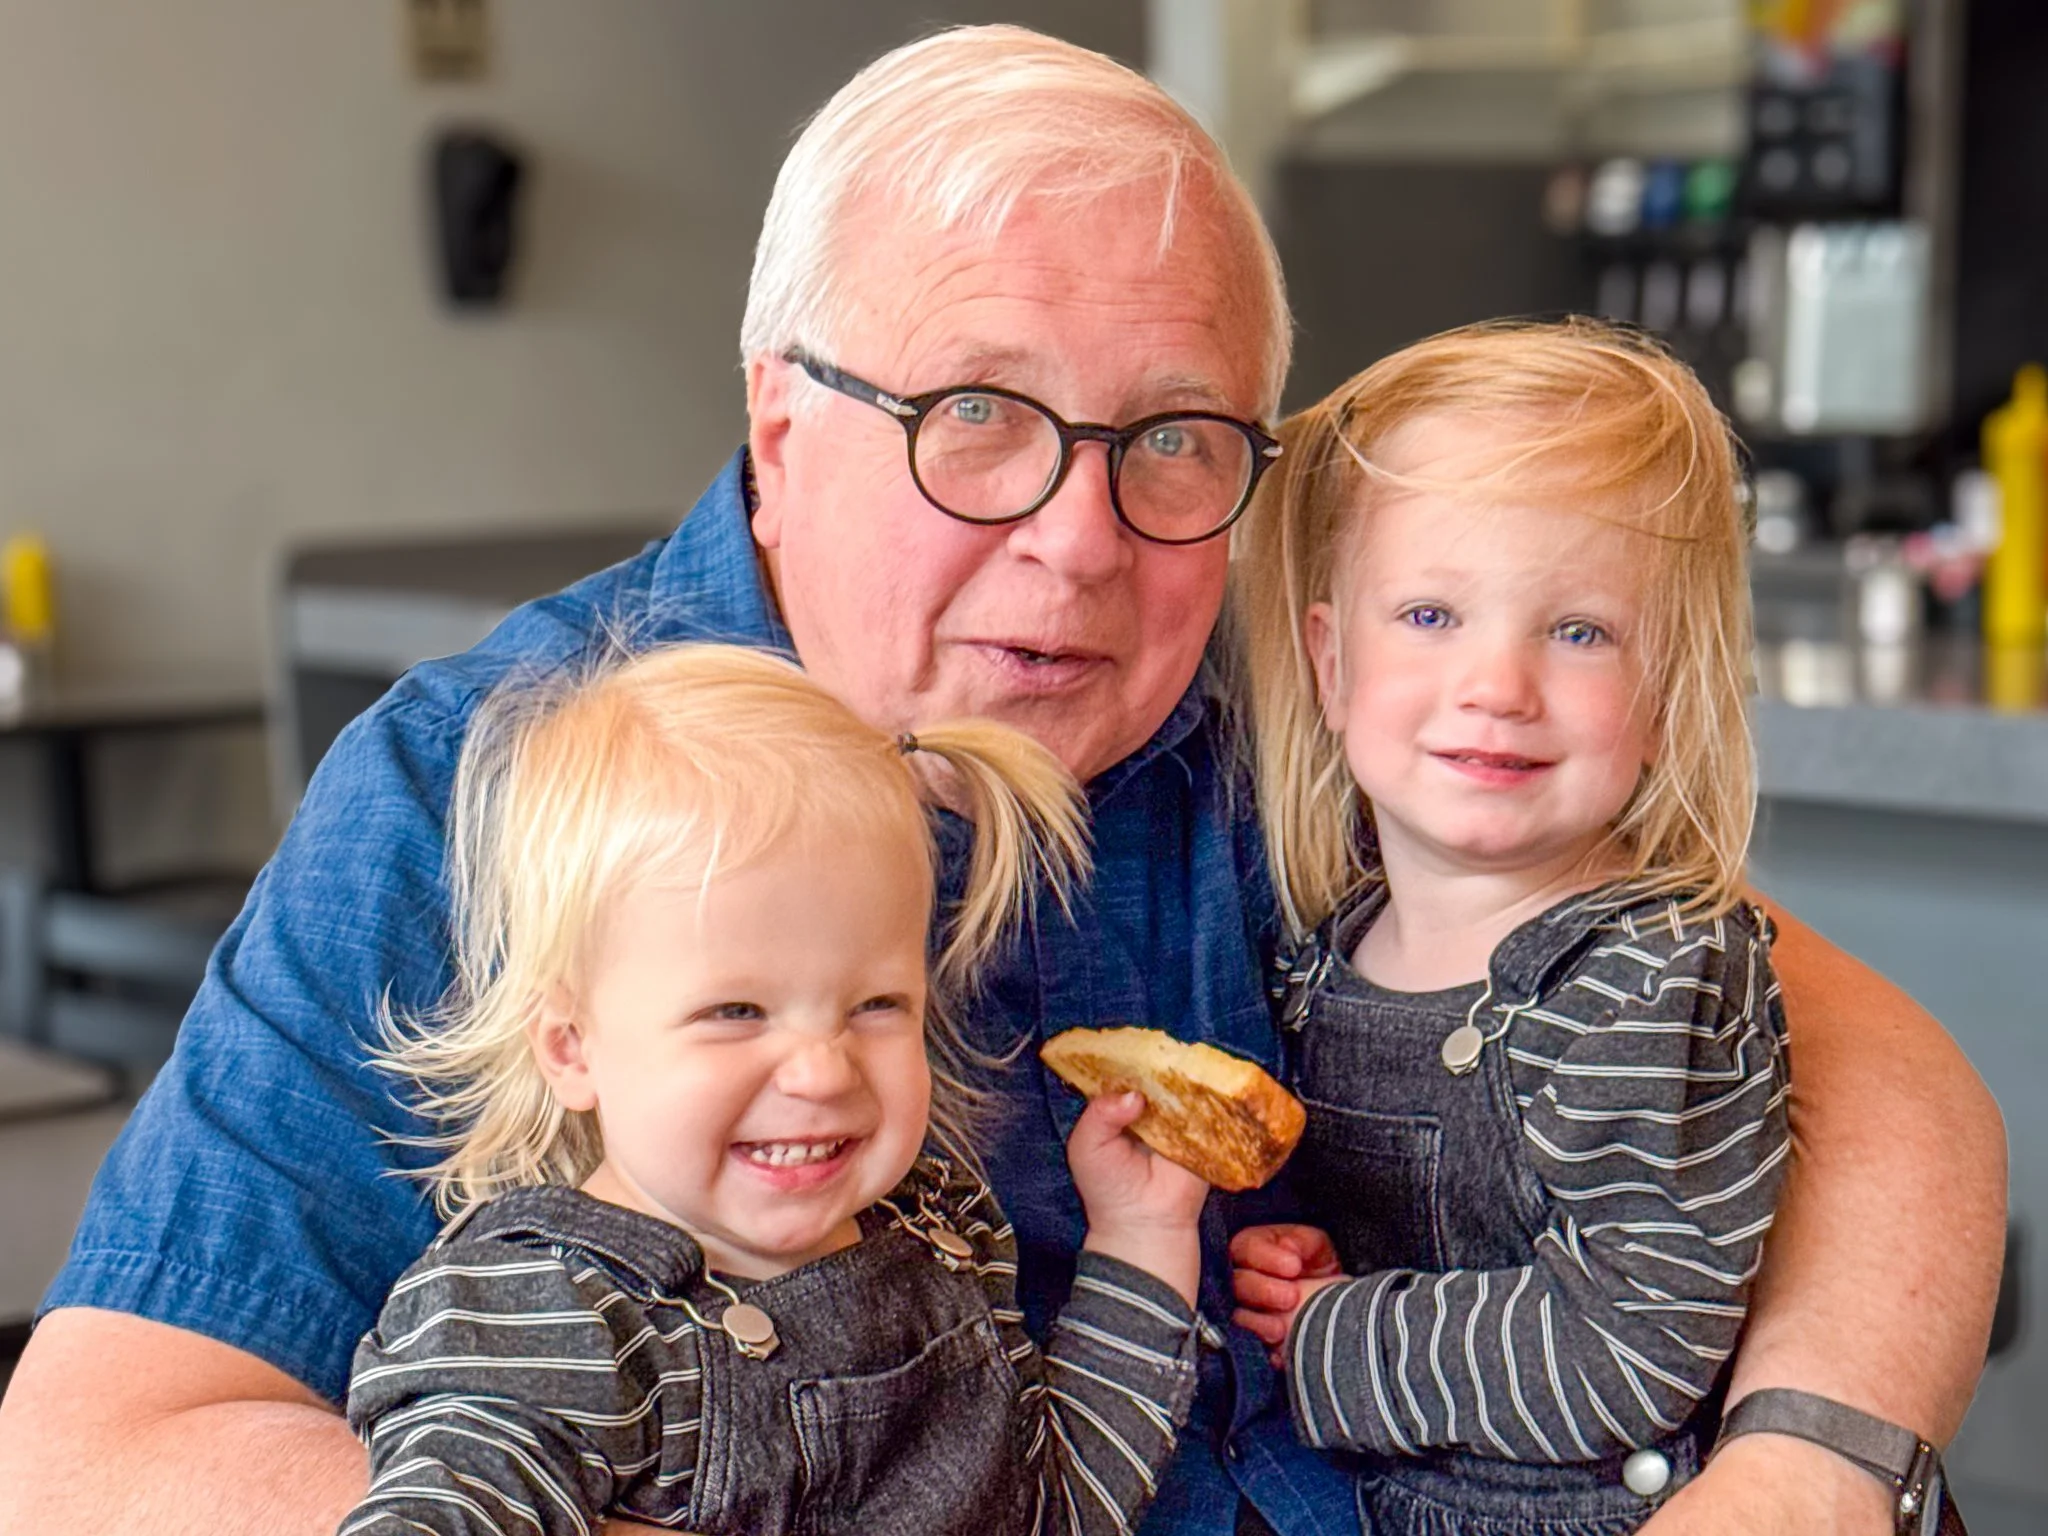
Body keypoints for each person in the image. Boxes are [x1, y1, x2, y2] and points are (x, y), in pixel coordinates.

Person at [0, 25, 2005, 1536]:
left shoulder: (1302, 740)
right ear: (780, 420)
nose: (1079, 539)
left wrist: (1805, 1472)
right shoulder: (496, 783)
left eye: (1175, 439)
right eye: (975, 413)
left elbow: (1884, 1080)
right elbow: (102, 1445)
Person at [335, 643, 1209, 1535]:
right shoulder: (548, 1320)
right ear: (571, 1047)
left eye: (876, 1005)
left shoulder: (942, 1236)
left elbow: (1058, 1510)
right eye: (736, 1012)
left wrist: (1142, 1234)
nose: (823, 1070)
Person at [1227, 320, 1790, 1532]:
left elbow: (1631, 1344)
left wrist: (1336, 1332)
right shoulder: (1327, 949)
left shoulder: (1649, 984)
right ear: (1330, 664)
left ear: (1666, 687)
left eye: (1577, 631)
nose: (1496, 686)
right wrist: (1326, 1271)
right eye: (1429, 615)